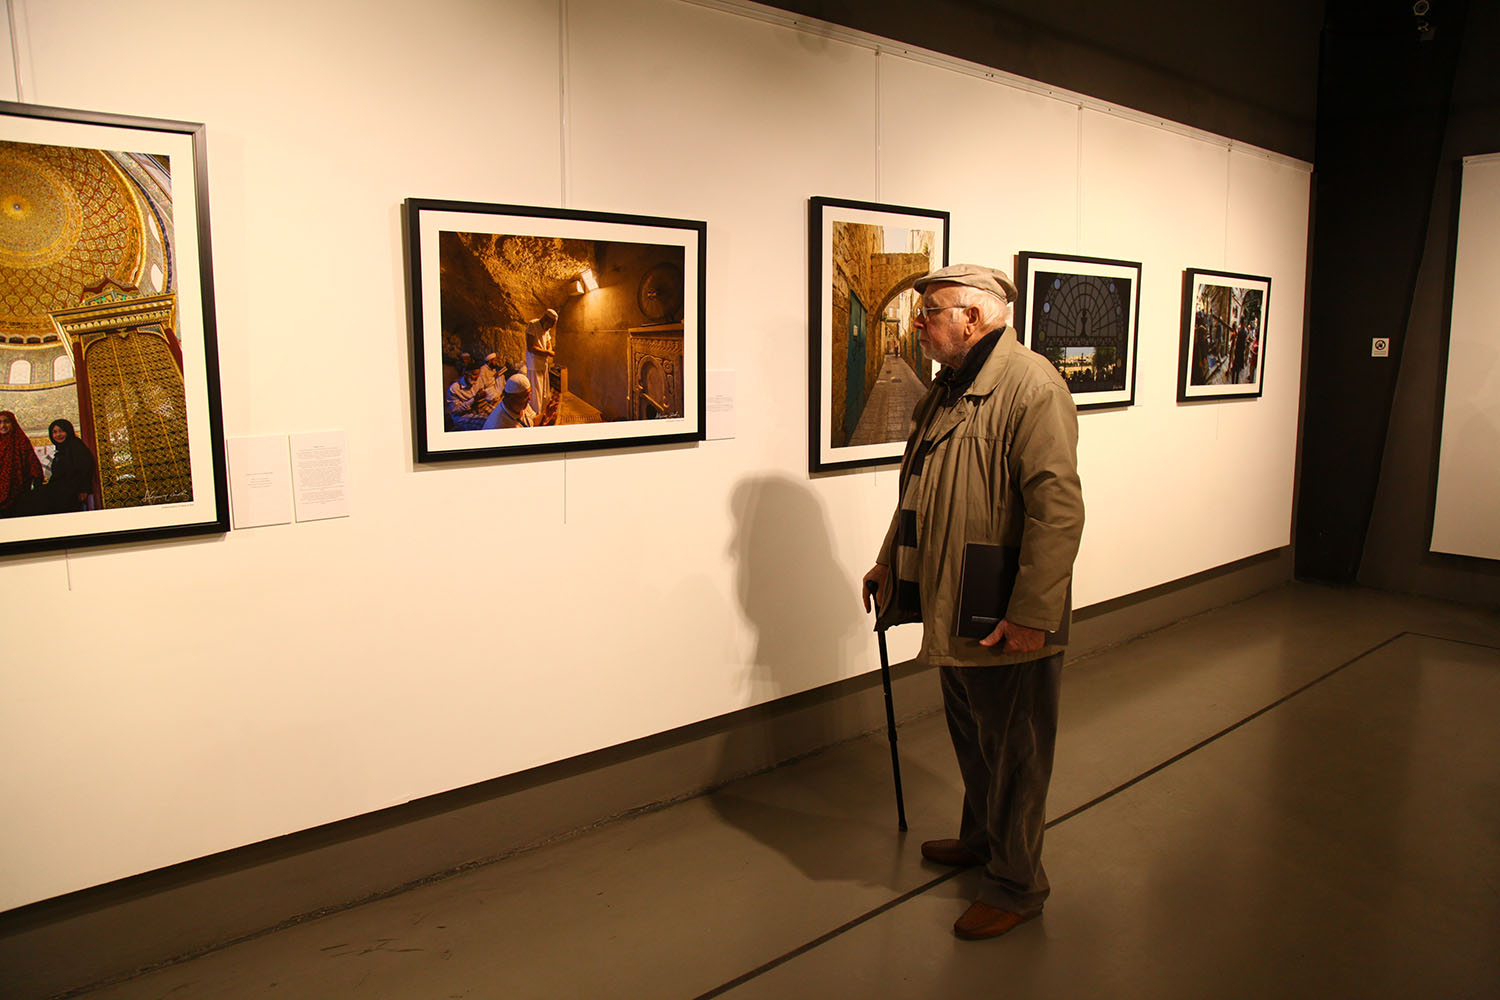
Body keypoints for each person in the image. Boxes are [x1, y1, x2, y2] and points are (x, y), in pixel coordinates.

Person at [862, 263, 1084, 941]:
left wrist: (1031, 614)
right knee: (973, 733)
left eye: (930, 312)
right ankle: (984, 836)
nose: (920, 324)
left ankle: (1017, 885)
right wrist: (885, 560)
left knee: (1015, 747)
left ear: (975, 317)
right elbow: (920, 492)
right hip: (954, 597)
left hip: (1000, 607)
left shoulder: (1031, 387)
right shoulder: (949, 391)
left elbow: (1058, 511)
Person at [34, 419, 96, 514]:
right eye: (54, 432)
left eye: (61, 431)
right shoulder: (60, 451)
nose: (58, 435)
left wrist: (84, 489)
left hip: (72, 493)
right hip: (60, 493)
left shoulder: (76, 446)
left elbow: (86, 468)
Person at [0, 410, 44, 517]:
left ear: (13, 423)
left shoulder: (21, 441)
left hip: (19, 493)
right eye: (0, 422)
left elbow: (32, 463)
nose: (3, 425)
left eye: (6, 422)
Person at [481, 372, 558, 429]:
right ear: (511, 399)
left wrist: (546, 414)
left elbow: (532, 421)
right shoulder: (499, 426)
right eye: (525, 396)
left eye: (529, 394)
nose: (529, 398)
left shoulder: (521, 404)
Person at [525, 308, 559, 416]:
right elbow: (531, 347)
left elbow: (548, 342)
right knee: (536, 391)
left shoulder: (546, 329)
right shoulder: (532, 325)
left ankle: (544, 409)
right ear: (545, 319)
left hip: (543, 363)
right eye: (550, 325)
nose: (550, 328)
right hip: (534, 364)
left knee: (544, 389)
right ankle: (536, 414)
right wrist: (548, 353)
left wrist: (549, 349)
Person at [446, 357, 494, 431]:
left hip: (479, 409)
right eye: (474, 374)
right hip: (463, 416)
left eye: (478, 374)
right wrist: (474, 399)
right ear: (465, 374)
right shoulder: (454, 388)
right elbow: (456, 411)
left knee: (498, 415)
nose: (476, 378)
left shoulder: (478, 380)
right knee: (488, 426)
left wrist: (483, 395)